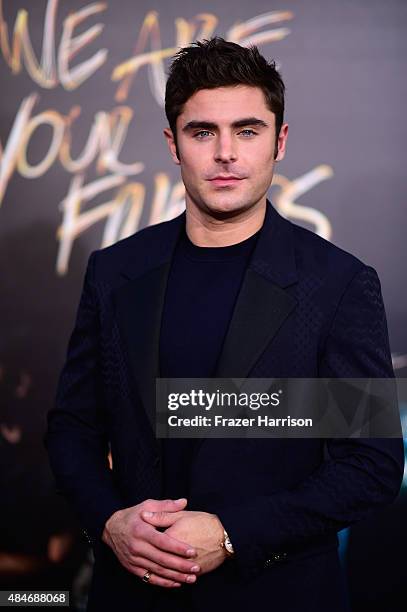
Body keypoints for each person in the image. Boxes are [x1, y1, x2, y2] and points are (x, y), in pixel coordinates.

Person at [45, 37, 404, 611]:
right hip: (132, 598)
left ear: (279, 142)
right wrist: (111, 523)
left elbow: (371, 465)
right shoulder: (115, 273)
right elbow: (72, 430)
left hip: (277, 597)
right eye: (202, 131)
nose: (226, 153)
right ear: (173, 143)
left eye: (248, 130)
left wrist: (234, 534)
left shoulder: (338, 285)